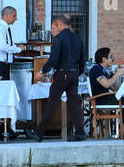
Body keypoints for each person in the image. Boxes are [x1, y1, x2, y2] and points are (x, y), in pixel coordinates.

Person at [35, 13, 86, 142]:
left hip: (62, 73)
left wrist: (42, 72)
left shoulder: (58, 39)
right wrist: (77, 72)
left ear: (61, 24)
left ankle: (39, 133)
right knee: (74, 104)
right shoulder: (78, 38)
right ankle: (80, 133)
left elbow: (53, 59)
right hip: (74, 74)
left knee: (52, 102)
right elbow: (83, 59)